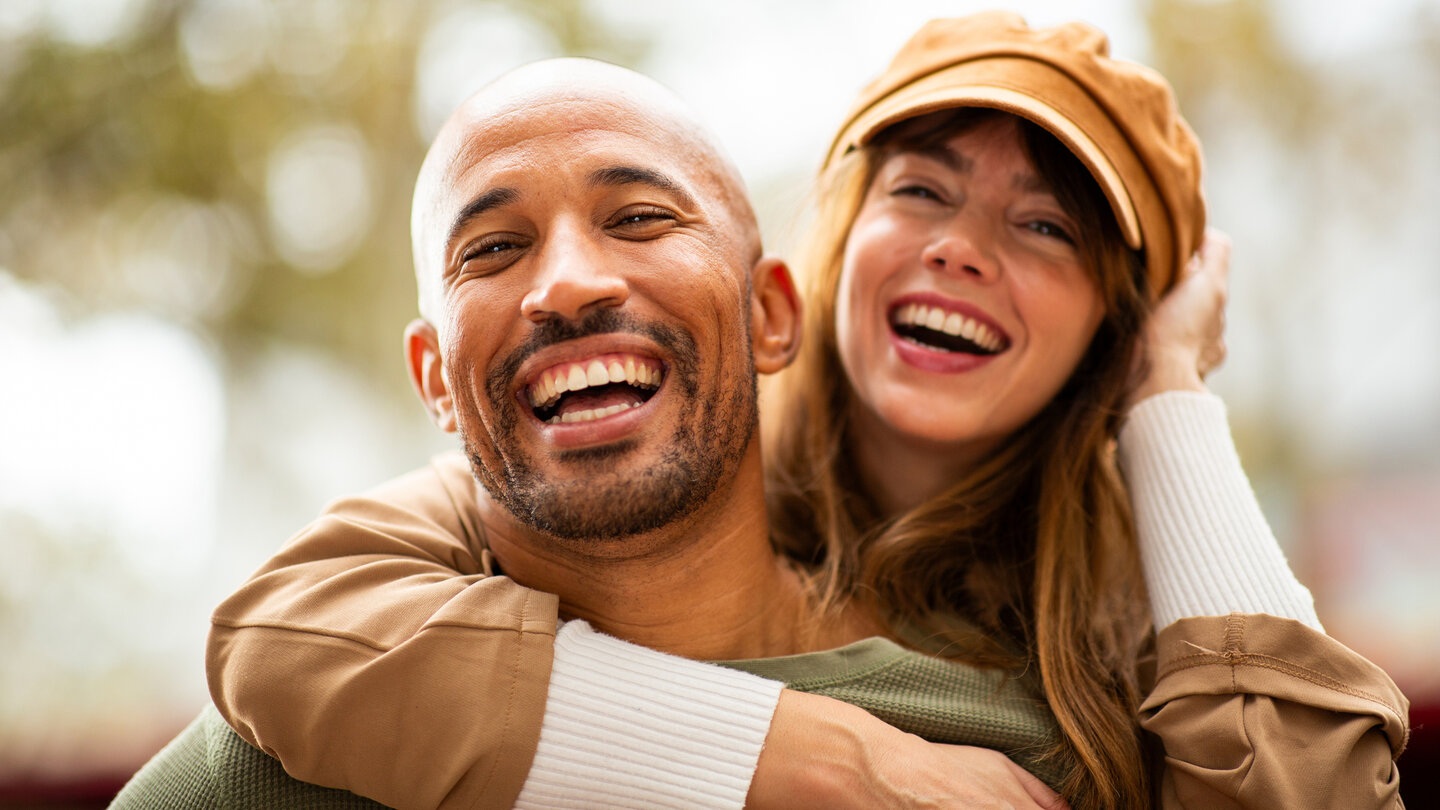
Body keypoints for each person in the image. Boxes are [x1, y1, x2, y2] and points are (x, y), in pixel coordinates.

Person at [128, 12, 1407, 810]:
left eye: (1045, 228)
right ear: (821, 269)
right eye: (924, 192)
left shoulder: (1069, 702)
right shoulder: (492, 546)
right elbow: (286, 633)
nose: (964, 251)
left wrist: (1170, 397)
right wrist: (789, 756)